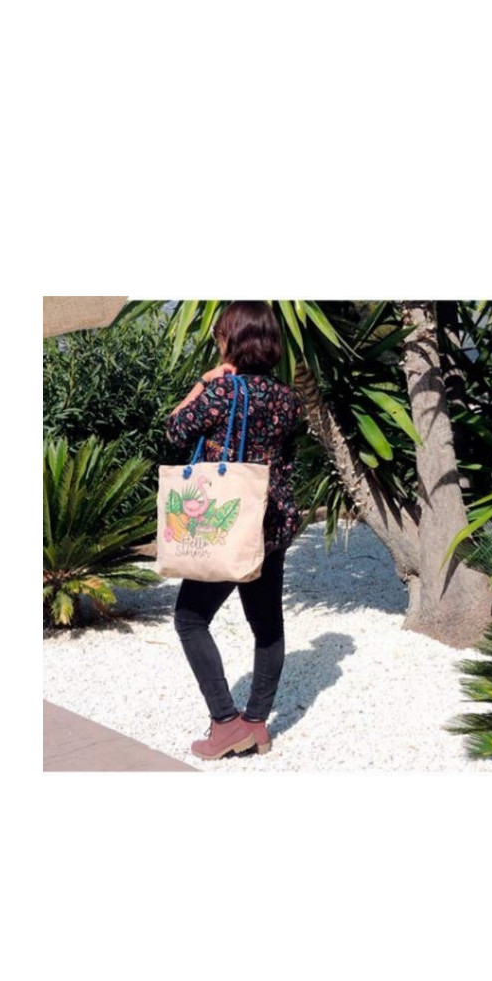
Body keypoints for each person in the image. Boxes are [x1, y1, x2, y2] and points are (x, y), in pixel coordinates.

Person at [164, 302, 305, 761]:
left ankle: (225, 723)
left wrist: (203, 382)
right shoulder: (289, 399)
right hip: (271, 521)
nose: (218, 341)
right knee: (266, 624)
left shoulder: (222, 391)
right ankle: (256, 724)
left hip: (225, 523)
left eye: (220, 334)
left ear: (233, 340)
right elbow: (286, 461)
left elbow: (174, 430)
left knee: (190, 618)